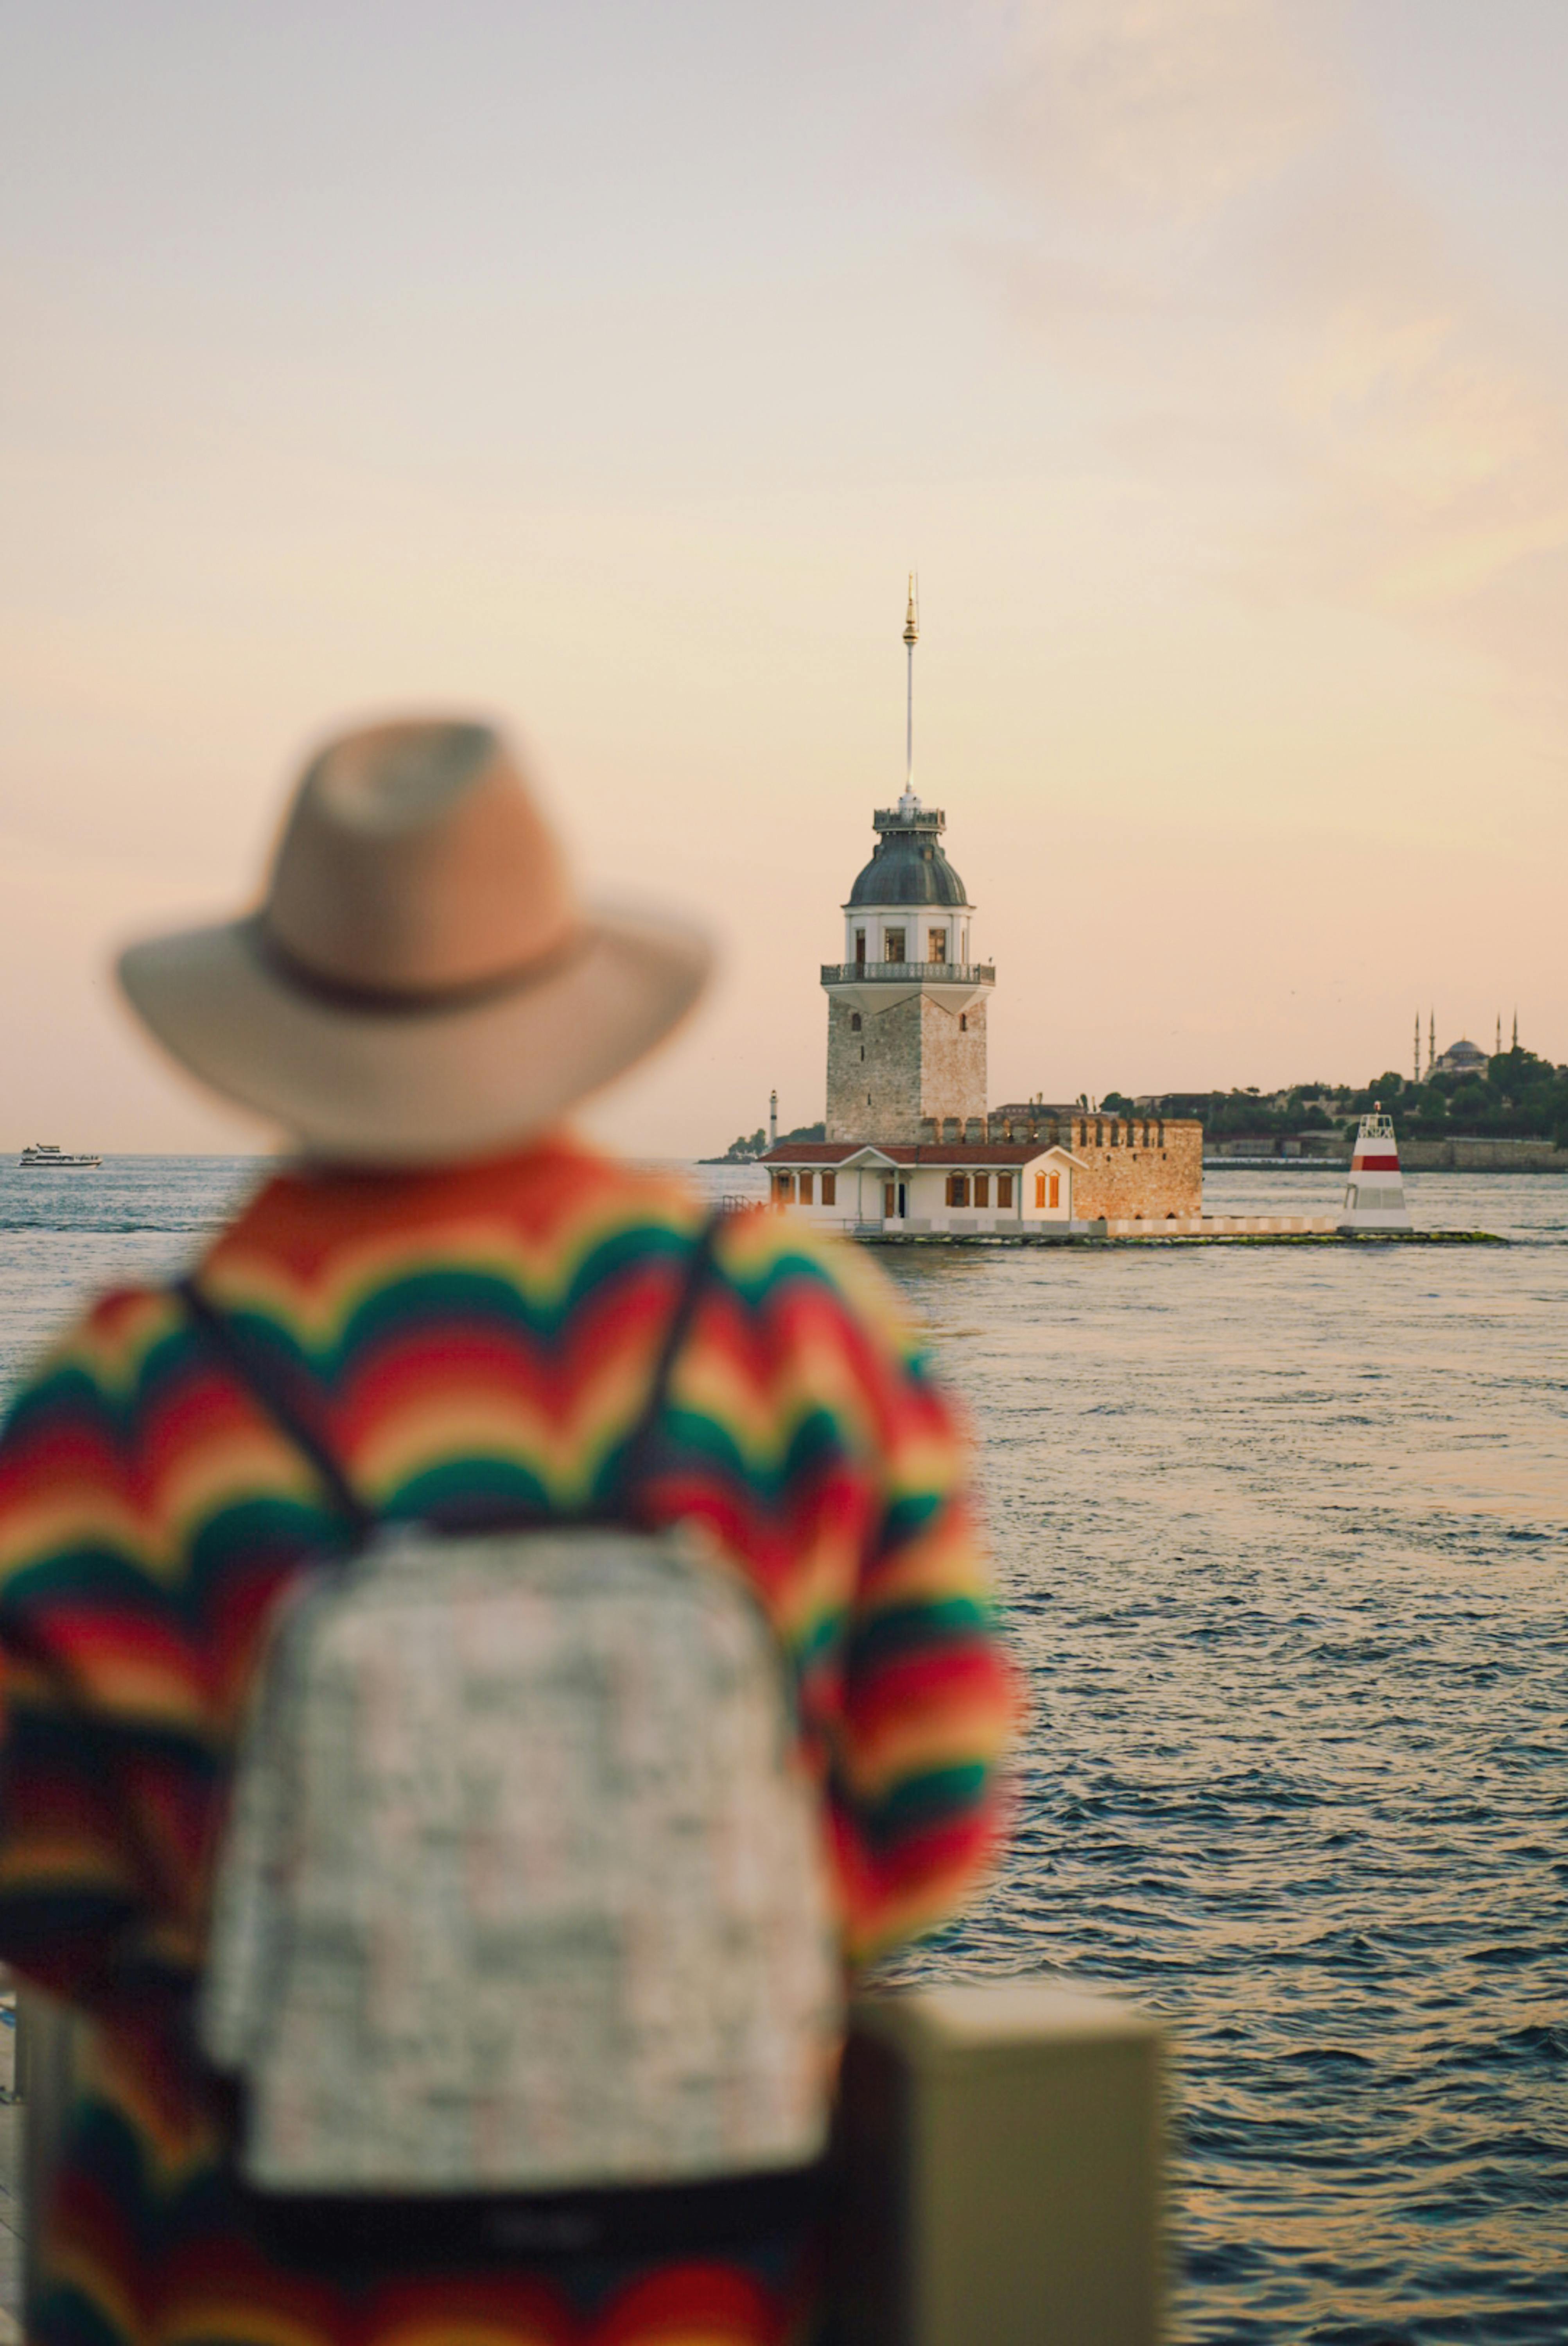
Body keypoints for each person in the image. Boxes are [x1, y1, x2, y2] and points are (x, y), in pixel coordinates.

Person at [0, 718, 1014, 2346]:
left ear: (270, 1017)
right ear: (567, 1004)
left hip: (234, 2277)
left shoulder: (119, 1399)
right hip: (696, 2284)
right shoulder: (798, 1337)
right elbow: (933, 1810)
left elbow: (44, 1890)